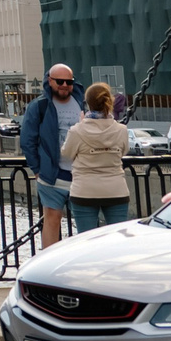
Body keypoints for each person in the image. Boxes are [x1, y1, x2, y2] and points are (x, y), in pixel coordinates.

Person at [19, 64, 84, 247]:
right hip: (51, 176)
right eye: (60, 81)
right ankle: (49, 267)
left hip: (80, 174)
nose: (64, 85)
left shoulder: (81, 103)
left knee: (85, 223)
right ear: (50, 81)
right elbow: (27, 140)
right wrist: (38, 170)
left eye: (69, 81)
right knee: (52, 220)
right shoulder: (40, 105)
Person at [62, 82, 133, 234]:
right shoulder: (121, 130)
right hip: (116, 190)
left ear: (87, 104)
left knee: (86, 239)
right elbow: (124, 151)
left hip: (84, 190)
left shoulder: (77, 130)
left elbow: (66, 154)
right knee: (118, 238)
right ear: (109, 102)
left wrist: (81, 124)